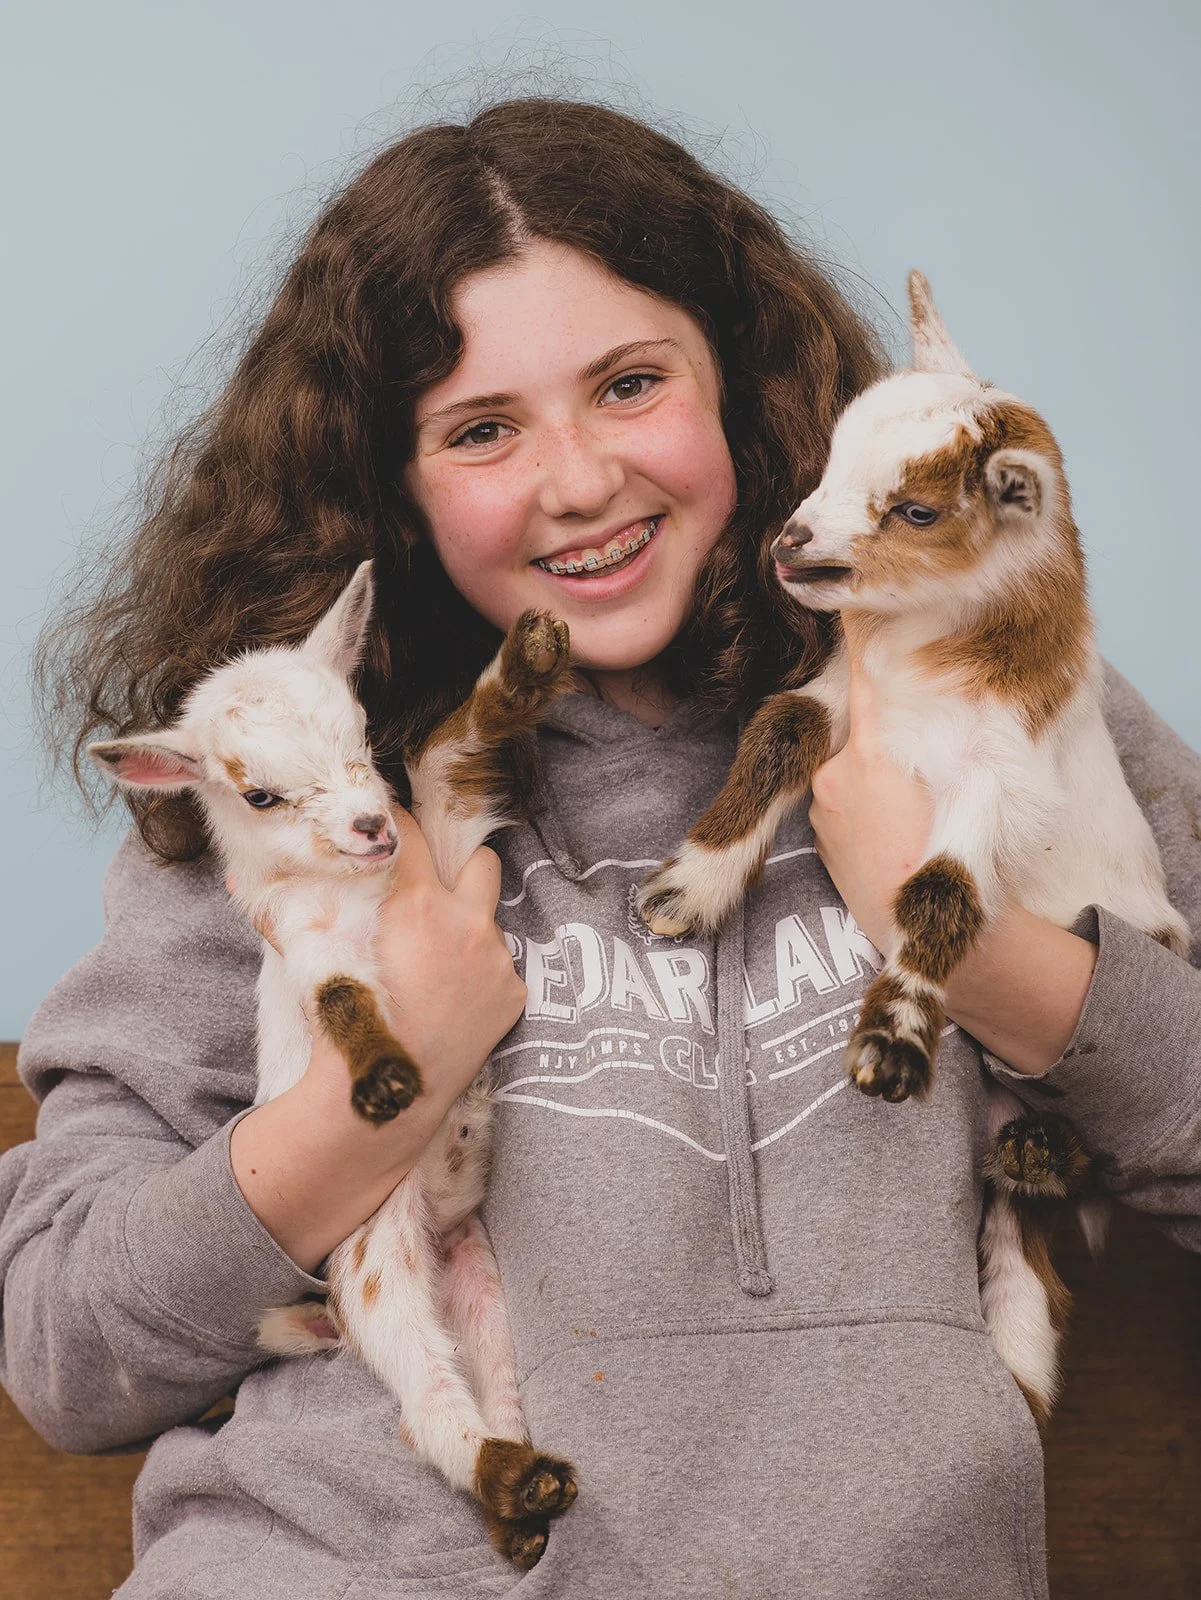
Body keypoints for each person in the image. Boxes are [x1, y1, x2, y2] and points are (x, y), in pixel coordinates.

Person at [2, 97, 1199, 1600]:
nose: (576, 481)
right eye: (483, 429)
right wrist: (386, 1085)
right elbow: (65, 1348)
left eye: (630, 385)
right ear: (395, 484)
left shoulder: (1006, 697)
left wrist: (999, 964)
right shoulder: (296, 797)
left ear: (752, 393)